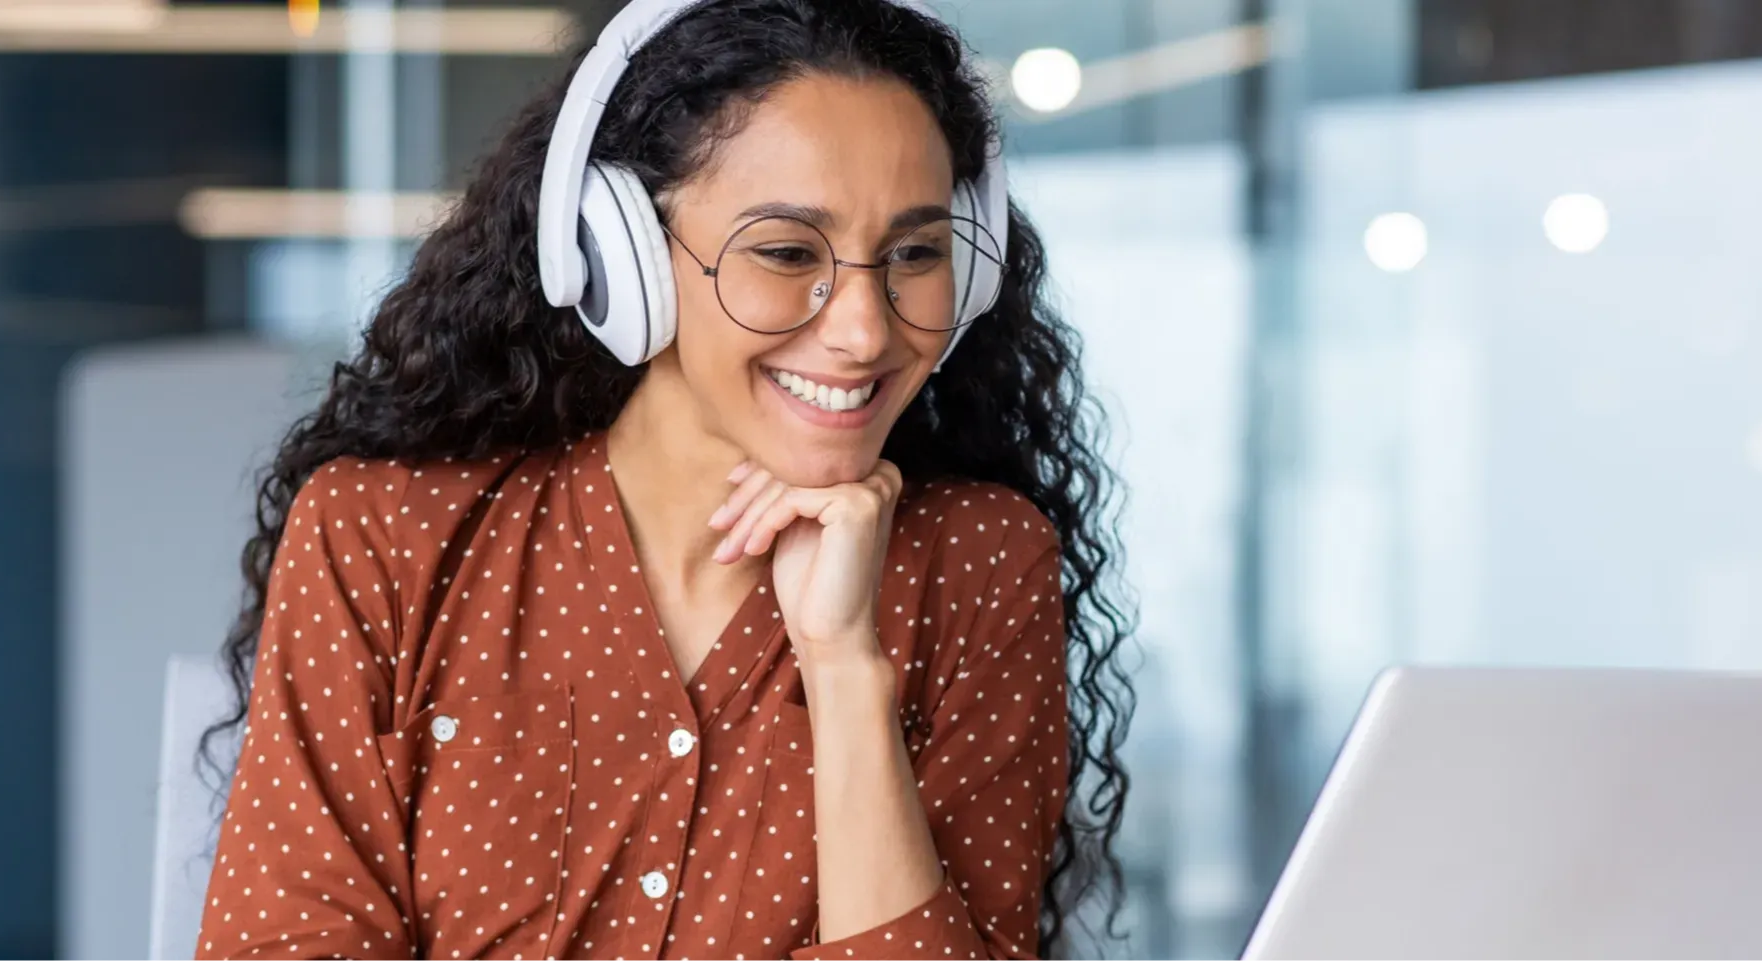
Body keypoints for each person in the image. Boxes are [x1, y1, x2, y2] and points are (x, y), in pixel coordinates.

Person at [194, 1, 1133, 958]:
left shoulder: (980, 562)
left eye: (916, 254)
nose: (864, 330)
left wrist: (845, 672)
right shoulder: (383, 535)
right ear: (618, 252)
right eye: (784, 253)